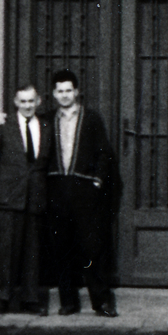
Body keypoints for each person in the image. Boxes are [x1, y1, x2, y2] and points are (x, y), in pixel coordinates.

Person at [46, 68, 122, 317]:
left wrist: (96, 183)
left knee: (91, 248)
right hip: (58, 189)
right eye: (60, 91)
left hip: (84, 191)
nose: (65, 95)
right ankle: (67, 302)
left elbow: (104, 154)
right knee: (61, 249)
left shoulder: (91, 119)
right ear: (54, 94)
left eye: (69, 90)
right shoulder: (48, 120)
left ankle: (101, 302)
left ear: (77, 92)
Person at [0, 82, 50, 316]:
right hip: (8, 199)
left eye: (31, 101)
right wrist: (6, 187)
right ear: (15, 103)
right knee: (7, 250)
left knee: (32, 251)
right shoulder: (3, 126)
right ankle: (4, 298)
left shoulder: (45, 126)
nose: (27, 105)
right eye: (23, 101)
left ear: (38, 101)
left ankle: (31, 300)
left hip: (35, 199)